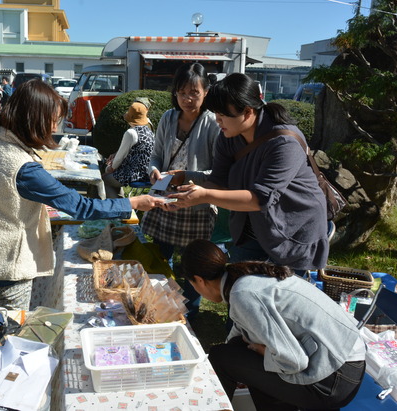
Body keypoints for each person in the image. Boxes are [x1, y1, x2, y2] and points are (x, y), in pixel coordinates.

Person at [0, 80, 163, 310]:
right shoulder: (22, 167)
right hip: (6, 268)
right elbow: (81, 206)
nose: (55, 128)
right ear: (33, 118)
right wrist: (132, 203)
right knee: (9, 335)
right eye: (53, 120)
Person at [167, 73, 329, 273]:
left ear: (248, 111)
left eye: (223, 114)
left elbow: (260, 198)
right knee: (241, 290)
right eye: (216, 113)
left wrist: (204, 195)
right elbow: (218, 182)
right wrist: (183, 195)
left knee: (281, 298)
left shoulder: (284, 142)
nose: (218, 120)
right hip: (251, 228)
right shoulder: (228, 136)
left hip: (292, 229)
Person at [180, 239, 365, 411]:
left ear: (199, 280)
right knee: (237, 353)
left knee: (221, 357)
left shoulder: (243, 293)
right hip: (343, 363)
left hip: (333, 379)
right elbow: (239, 334)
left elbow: (294, 360)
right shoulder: (244, 278)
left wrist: (262, 351)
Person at [140, 62, 221, 319]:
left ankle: (189, 314)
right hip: (165, 201)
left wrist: (189, 177)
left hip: (195, 204)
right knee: (160, 259)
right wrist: (154, 171)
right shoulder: (168, 118)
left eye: (194, 92)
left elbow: (219, 172)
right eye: (182, 92)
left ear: (206, 92)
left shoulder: (212, 123)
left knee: (193, 265)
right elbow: (155, 157)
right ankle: (158, 306)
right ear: (175, 93)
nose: (188, 98)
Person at [102, 100, 154, 198]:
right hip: (147, 174)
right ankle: (121, 204)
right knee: (114, 178)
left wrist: (109, 169)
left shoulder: (131, 133)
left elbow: (118, 159)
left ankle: (117, 209)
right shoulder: (149, 131)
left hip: (133, 174)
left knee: (105, 179)